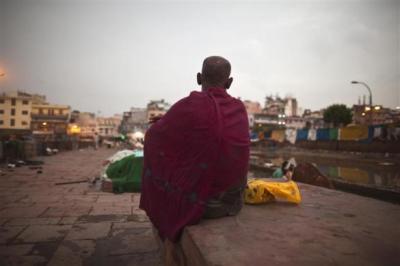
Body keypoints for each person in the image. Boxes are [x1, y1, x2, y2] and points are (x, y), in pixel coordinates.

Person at [140, 56, 250, 247]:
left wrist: (164, 122)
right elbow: (214, 129)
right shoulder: (239, 108)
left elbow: (155, 138)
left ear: (199, 78)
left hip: (202, 205)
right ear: (229, 83)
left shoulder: (187, 106)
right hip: (232, 202)